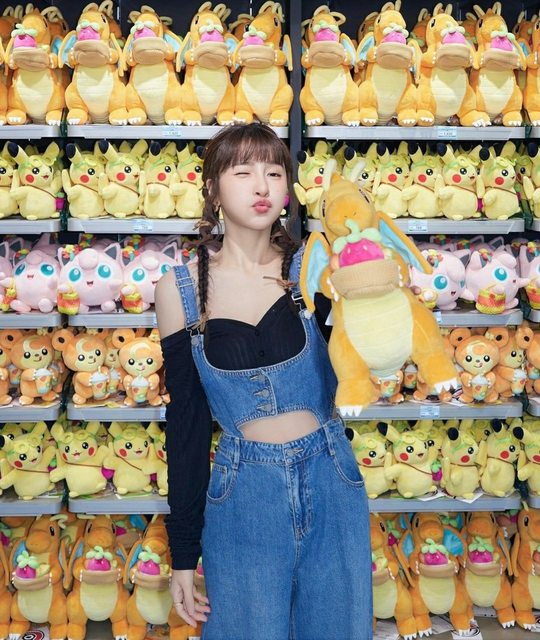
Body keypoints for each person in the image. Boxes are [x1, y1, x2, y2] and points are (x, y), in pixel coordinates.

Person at [155, 123, 372, 640]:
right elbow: (186, 426)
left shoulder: (315, 269)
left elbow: (361, 363)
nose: (262, 186)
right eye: (243, 172)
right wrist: (183, 554)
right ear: (212, 189)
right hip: (243, 494)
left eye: (275, 173)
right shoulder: (179, 290)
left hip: (331, 477)